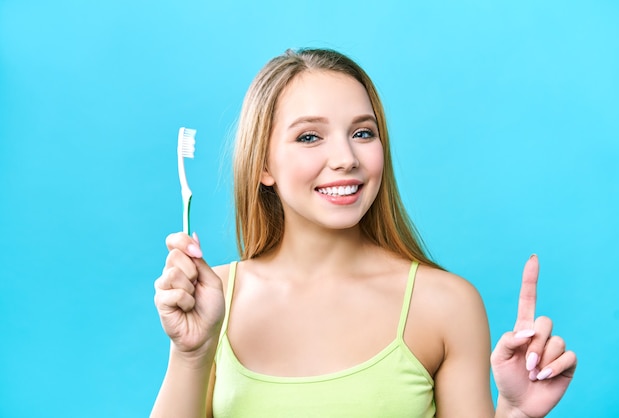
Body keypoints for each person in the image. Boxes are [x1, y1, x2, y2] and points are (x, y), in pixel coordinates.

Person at [151, 48, 577, 418]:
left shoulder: (447, 306)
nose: (345, 158)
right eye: (310, 136)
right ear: (263, 165)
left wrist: (516, 412)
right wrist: (190, 354)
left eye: (362, 133)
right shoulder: (214, 301)